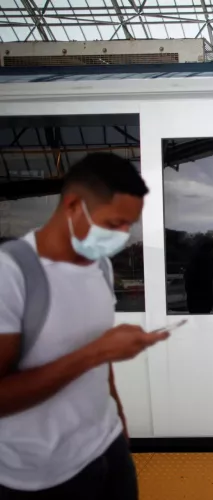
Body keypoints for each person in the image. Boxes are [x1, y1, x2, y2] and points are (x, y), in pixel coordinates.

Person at [0, 153, 169, 499]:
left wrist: (118, 418)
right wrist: (95, 353)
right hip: (41, 475)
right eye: (113, 224)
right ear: (74, 206)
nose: (122, 236)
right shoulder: (11, 274)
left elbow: (99, 356)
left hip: (106, 446)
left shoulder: (100, 267)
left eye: (128, 226)